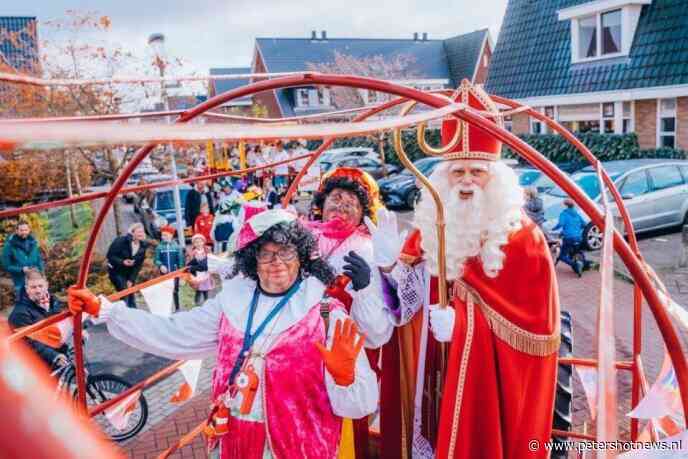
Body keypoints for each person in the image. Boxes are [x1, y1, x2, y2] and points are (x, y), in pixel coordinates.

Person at [68, 209, 378, 459]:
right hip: (235, 441)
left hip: (299, 446)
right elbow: (172, 333)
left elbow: (359, 405)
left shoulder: (326, 313)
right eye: (266, 254)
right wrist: (106, 311)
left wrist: (345, 379)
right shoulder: (229, 305)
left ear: (300, 256)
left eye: (285, 253)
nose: (277, 264)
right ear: (252, 260)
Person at [370, 81, 560, 458]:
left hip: (485, 388)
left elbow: (537, 328)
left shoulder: (524, 239)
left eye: (478, 171)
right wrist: (391, 266)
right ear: (443, 178)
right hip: (430, 374)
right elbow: (403, 306)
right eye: (458, 172)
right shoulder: (432, 225)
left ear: (498, 178)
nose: (468, 181)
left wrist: (463, 325)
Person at [8, 269, 68, 369]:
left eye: (40, 286)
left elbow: (63, 323)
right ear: (27, 289)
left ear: (47, 285)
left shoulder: (54, 302)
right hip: (34, 364)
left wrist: (79, 331)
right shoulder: (20, 314)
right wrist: (54, 356)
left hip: (57, 352)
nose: (38, 290)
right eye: (33, 287)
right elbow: (31, 342)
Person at [106, 223, 148, 309]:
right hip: (116, 271)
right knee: (124, 292)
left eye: (142, 232)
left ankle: (134, 313)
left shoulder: (143, 245)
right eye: (139, 231)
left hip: (129, 274)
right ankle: (125, 313)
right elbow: (110, 256)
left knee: (131, 293)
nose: (141, 234)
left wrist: (131, 279)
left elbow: (138, 265)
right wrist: (122, 262)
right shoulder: (121, 241)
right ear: (132, 232)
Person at [2, 220, 44, 295]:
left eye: (26, 230)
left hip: (36, 280)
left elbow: (39, 259)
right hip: (21, 282)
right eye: (21, 230)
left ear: (29, 230)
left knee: (41, 302)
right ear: (17, 231)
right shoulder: (9, 246)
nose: (24, 232)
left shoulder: (33, 242)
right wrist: (21, 269)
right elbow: (6, 266)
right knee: (25, 304)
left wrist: (42, 272)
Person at [553, 198, 591, 277]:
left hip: (568, 238)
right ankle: (583, 263)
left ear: (565, 205)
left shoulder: (564, 214)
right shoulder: (577, 214)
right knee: (578, 251)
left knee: (562, 255)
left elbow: (561, 224)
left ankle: (575, 264)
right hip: (578, 238)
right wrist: (576, 229)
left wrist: (553, 229)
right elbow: (584, 224)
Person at [154, 225, 184, 311]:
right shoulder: (159, 247)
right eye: (162, 235)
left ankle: (177, 308)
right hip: (164, 273)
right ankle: (167, 308)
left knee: (175, 289)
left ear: (171, 235)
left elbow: (180, 260)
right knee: (165, 290)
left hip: (175, 272)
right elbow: (156, 260)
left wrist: (181, 273)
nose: (163, 237)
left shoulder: (176, 247)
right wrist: (160, 265)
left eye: (165, 235)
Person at [187, 234, 214, 305]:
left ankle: (207, 303)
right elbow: (189, 263)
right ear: (194, 244)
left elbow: (211, 261)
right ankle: (197, 303)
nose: (198, 244)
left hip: (205, 273)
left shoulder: (207, 251)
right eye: (196, 242)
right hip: (197, 274)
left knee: (206, 290)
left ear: (203, 242)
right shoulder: (192, 253)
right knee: (198, 290)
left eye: (200, 242)